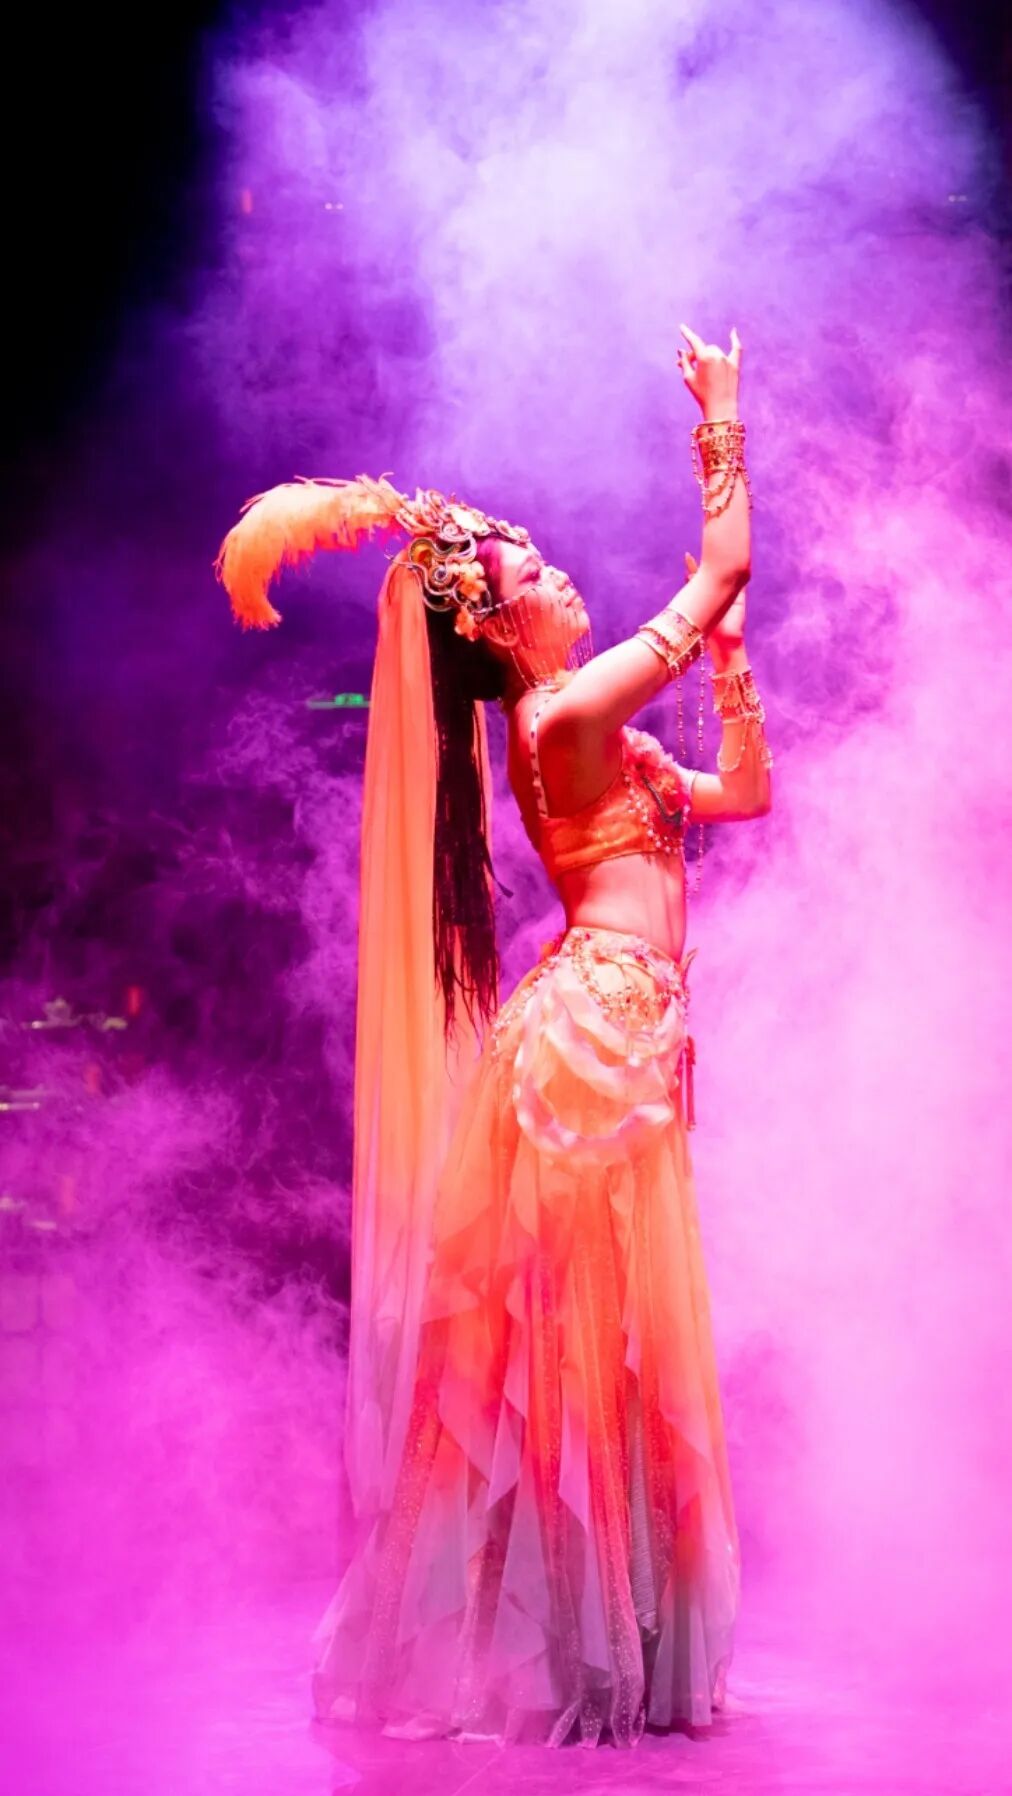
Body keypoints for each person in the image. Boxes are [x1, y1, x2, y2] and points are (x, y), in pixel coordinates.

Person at [216, 324, 772, 1749]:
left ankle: (619, 1636)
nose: (558, 573)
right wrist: (721, 419)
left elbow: (743, 797)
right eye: (530, 575)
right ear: (501, 628)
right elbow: (720, 567)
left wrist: (731, 675)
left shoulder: (604, 735)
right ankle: (568, 1647)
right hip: (588, 1051)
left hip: (624, 1041)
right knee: (578, 1349)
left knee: (616, 1349)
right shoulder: (568, 715)